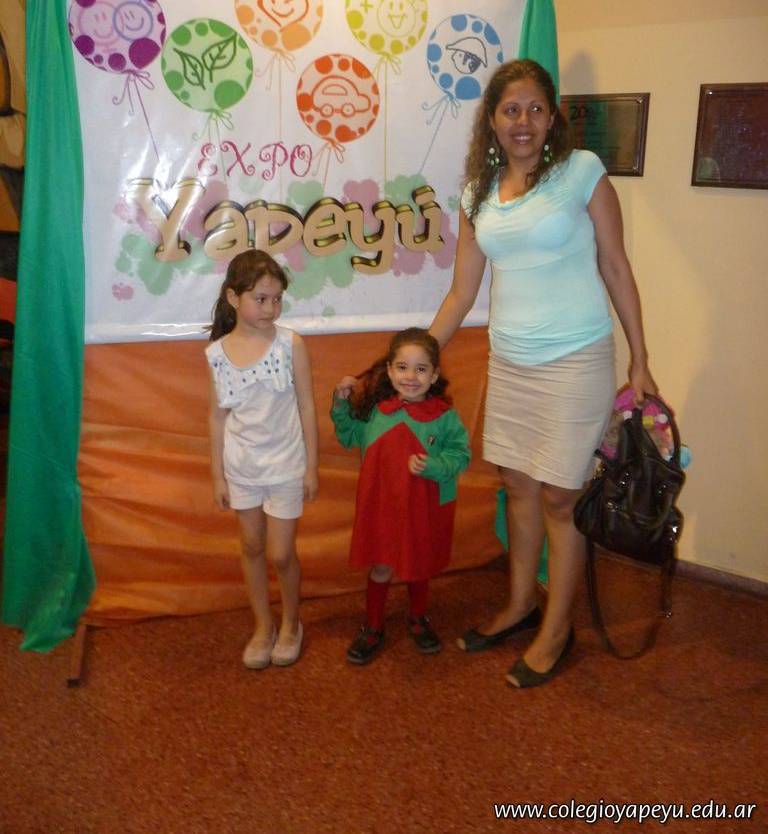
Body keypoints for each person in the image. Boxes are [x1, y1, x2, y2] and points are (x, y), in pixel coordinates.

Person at [429, 58, 658, 688]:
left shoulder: (581, 172)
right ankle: (520, 605)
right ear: (493, 121)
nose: (523, 121)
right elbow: (461, 293)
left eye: (535, 108)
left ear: (552, 116)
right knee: (519, 487)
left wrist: (640, 358)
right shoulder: (477, 194)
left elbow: (615, 265)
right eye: (511, 110)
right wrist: (418, 351)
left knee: (561, 496)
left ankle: (558, 629)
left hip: (576, 360)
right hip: (511, 362)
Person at [207, 249, 318, 669]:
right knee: (251, 545)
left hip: (286, 465)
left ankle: (291, 623)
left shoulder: (291, 345)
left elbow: (307, 405)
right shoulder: (217, 354)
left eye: (277, 299)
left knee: (281, 553)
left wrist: (311, 466)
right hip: (242, 469)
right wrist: (218, 476)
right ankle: (263, 626)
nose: (270, 308)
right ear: (233, 298)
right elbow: (217, 416)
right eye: (260, 299)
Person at [332, 328, 470, 665]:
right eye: (403, 367)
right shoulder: (375, 413)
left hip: (422, 508)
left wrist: (435, 466)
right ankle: (373, 626)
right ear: (390, 371)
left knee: (418, 566)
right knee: (381, 566)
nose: (411, 377)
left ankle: (418, 618)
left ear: (434, 375)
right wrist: (341, 403)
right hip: (381, 508)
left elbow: (460, 454)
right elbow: (348, 435)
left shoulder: (444, 417)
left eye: (421, 369)